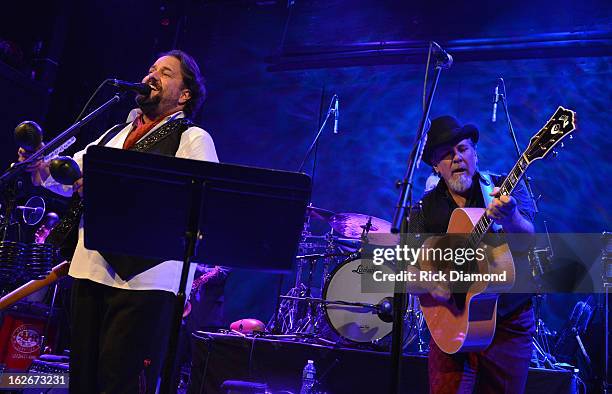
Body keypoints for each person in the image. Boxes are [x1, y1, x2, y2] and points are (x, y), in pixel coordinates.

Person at [18, 49, 218, 393]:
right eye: (151, 68)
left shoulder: (193, 138)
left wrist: (114, 190)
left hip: (146, 279)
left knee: (120, 382)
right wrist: (40, 166)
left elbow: (201, 202)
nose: (152, 75)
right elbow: (72, 173)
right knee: (83, 379)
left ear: (184, 95)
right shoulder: (114, 133)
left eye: (166, 73)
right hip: (89, 267)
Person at [411, 115, 536, 393]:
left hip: (507, 323)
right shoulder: (423, 209)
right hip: (448, 323)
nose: (456, 158)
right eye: (446, 154)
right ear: (436, 166)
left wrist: (511, 216)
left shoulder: (505, 188)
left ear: (475, 154)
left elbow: (528, 241)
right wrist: (432, 283)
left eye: (463, 149)